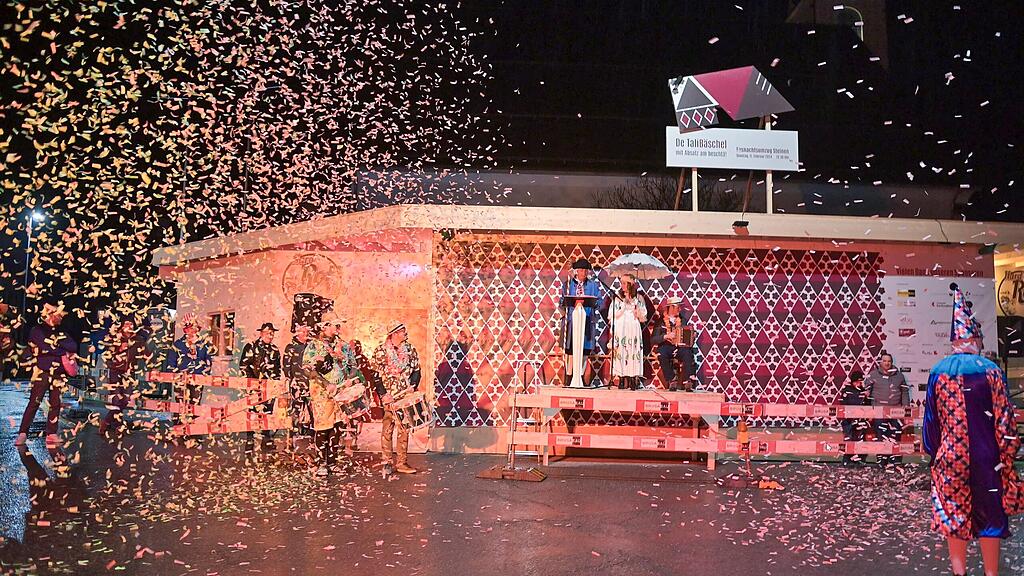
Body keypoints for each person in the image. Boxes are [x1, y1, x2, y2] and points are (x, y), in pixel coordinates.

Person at [923, 283, 1024, 576]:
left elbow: (931, 424)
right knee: (990, 516)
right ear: (975, 338)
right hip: (988, 459)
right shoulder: (991, 371)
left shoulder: (937, 373)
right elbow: (1005, 422)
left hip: (950, 458)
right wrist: (1008, 456)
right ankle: (991, 573)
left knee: (954, 514)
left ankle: (960, 573)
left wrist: (935, 454)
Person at [15, 303, 77, 447]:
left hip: (58, 373)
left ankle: (51, 434)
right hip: (42, 371)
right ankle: (23, 433)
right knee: (34, 402)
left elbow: (73, 346)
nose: (61, 317)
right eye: (58, 315)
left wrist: (55, 347)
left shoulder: (61, 331)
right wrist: (61, 349)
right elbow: (44, 346)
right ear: (50, 315)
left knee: (55, 403)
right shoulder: (38, 330)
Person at [301, 317, 350, 476]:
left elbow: (351, 365)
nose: (338, 327)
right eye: (335, 325)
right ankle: (321, 462)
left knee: (337, 427)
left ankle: (332, 462)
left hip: (339, 392)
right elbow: (307, 370)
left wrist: (350, 378)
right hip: (321, 392)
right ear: (325, 327)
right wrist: (326, 383)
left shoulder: (341, 345)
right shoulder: (314, 345)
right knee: (323, 428)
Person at [372, 323, 421, 475]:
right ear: (394, 334)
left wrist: (413, 385)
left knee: (404, 428)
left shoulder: (410, 349)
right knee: (388, 428)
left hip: (404, 395)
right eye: (402, 331)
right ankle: (387, 461)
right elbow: (375, 375)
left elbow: (417, 370)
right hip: (389, 395)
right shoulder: (381, 351)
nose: (405, 333)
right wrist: (383, 394)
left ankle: (401, 462)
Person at [99, 317, 149, 436]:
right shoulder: (114, 337)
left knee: (125, 400)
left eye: (131, 323)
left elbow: (146, 354)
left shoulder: (138, 339)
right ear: (121, 325)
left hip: (129, 373)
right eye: (126, 323)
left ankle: (107, 421)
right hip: (115, 371)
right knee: (116, 399)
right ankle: (117, 425)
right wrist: (119, 349)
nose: (129, 326)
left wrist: (146, 355)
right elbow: (106, 353)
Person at [239, 322, 282, 456]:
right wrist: (252, 383)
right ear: (261, 333)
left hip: (269, 388)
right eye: (268, 333)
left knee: (267, 414)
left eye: (272, 333)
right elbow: (243, 366)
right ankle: (250, 441)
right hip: (254, 387)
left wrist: (275, 383)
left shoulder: (275, 350)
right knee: (252, 414)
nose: (271, 335)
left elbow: (277, 369)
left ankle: (266, 441)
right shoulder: (251, 347)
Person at [561, 258, 601, 388]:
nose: (584, 273)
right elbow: (562, 301)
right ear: (576, 271)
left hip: (587, 320)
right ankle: (569, 376)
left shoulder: (593, 286)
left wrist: (591, 303)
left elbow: (599, 302)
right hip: (572, 321)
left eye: (586, 270)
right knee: (570, 349)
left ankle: (581, 375)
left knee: (584, 349)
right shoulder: (568, 284)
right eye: (581, 270)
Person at [866, 351, 909, 465]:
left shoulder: (899, 376)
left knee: (895, 434)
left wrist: (906, 409)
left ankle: (895, 459)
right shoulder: (873, 375)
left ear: (892, 362)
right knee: (881, 435)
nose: (887, 363)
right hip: (879, 411)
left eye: (889, 361)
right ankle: (882, 459)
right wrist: (869, 411)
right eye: (884, 361)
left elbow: (905, 392)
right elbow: (866, 392)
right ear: (880, 362)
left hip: (896, 411)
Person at [164, 313, 212, 411]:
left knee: (194, 405)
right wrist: (176, 375)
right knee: (180, 405)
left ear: (197, 328)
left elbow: (208, 361)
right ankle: (178, 420)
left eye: (192, 327)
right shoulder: (178, 344)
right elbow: (171, 362)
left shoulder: (204, 344)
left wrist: (204, 375)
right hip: (181, 378)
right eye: (188, 328)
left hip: (197, 378)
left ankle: (193, 420)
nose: (190, 331)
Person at [607, 274, 647, 390]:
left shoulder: (638, 298)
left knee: (633, 351)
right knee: (621, 351)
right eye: (621, 283)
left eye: (624, 283)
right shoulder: (618, 297)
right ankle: (621, 377)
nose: (622, 285)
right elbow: (611, 315)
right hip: (621, 326)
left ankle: (633, 378)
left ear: (631, 284)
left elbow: (643, 316)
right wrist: (623, 307)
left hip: (633, 326)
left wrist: (638, 311)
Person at [650, 297, 697, 391]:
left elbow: (687, 335)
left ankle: (687, 381)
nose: (680, 309)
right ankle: (672, 379)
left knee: (687, 352)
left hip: (679, 347)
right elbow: (653, 339)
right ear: (671, 307)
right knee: (661, 354)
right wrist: (665, 336)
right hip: (666, 346)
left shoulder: (682, 320)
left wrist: (692, 336)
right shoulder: (660, 322)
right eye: (677, 307)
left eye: (680, 307)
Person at [283, 322, 313, 445]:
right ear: (297, 333)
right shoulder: (291, 347)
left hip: (310, 384)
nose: (306, 334)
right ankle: (292, 437)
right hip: (297, 385)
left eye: (307, 332)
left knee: (312, 410)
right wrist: (291, 380)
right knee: (296, 410)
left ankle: (311, 437)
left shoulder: (310, 347)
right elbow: (286, 366)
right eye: (303, 332)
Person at [838, 370, 870, 465]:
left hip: (861, 420)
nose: (858, 384)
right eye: (856, 381)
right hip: (848, 420)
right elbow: (843, 404)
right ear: (853, 381)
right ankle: (847, 459)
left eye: (860, 382)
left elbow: (868, 405)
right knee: (849, 439)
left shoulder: (864, 391)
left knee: (860, 439)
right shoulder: (846, 390)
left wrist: (867, 397)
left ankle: (860, 460)